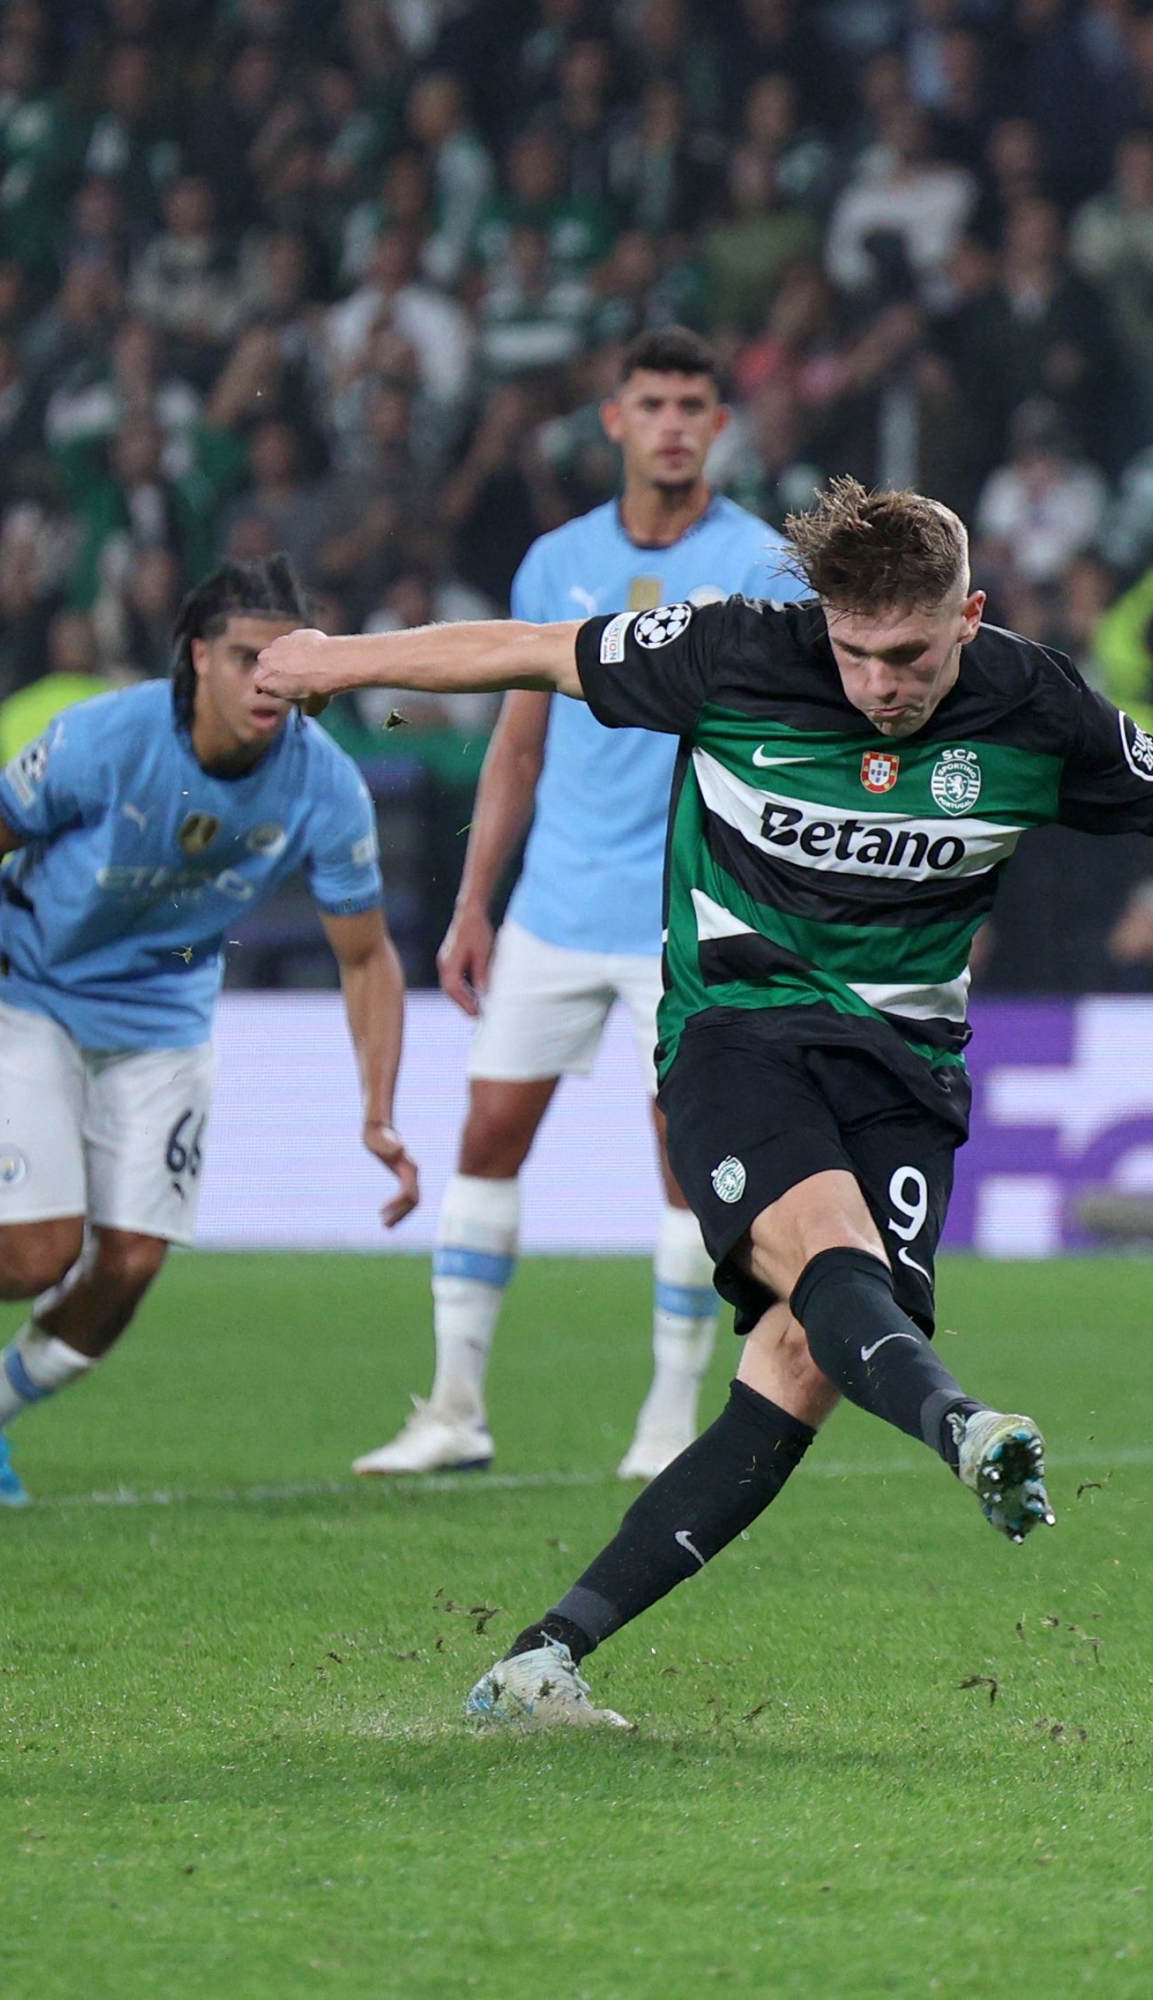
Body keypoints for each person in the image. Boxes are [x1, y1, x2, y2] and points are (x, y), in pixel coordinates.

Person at [252, 479, 1153, 1728]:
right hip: (735, 1033)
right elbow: (527, 652)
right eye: (859, 653)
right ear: (824, 625)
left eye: (911, 656)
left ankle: (544, 1659)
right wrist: (332, 662)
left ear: (968, 620)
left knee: (807, 1360)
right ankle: (961, 1424)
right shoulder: (729, 656)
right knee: (828, 1261)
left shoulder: (1032, 709)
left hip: (905, 1069)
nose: (881, 684)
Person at [0, 556, 419, 1507]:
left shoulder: (325, 784)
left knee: (133, 1262)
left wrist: (379, 1111)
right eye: (244, 658)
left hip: (165, 1019)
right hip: (36, 994)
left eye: (288, 659)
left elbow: (366, 957)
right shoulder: (107, 739)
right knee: (36, 1253)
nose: (267, 679)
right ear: (198, 658)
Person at [352, 329, 806, 1486]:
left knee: (682, 1160)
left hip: (685, 913)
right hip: (554, 903)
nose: (669, 422)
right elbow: (517, 740)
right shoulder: (555, 560)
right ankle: (453, 1406)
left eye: (691, 404)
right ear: (611, 420)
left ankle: (664, 1423)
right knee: (489, 1136)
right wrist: (472, 902)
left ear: (718, 424)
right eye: (648, 401)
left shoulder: (759, 564)